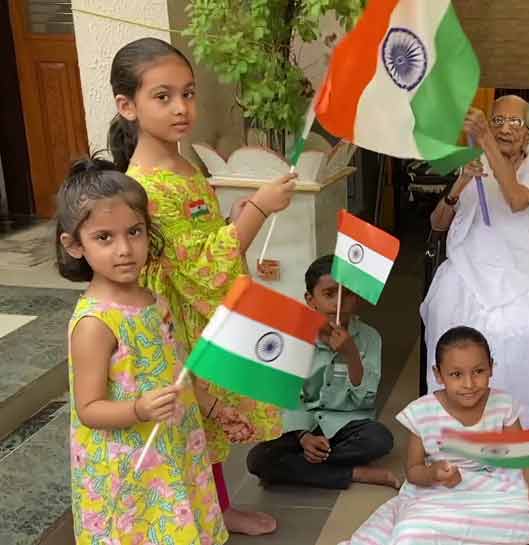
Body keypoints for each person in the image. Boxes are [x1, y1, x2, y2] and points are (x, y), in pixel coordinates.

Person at [107, 37, 297, 536]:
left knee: (207, 427)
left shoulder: (184, 165)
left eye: (188, 94)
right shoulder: (146, 184)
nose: (181, 107)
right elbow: (203, 265)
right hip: (176, 318)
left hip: (202, 310)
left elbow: (202, 239)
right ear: (127, 105)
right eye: (163, 96)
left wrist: (231, 219)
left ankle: (219, 505)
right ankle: (205, 509)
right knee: (191, 419)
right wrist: (258, 207)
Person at [57, 157, 227, 545]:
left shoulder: (152, 299)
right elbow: (88, 409)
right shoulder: (95, 324)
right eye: (104, 237)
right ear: (74, 245)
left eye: (134, 232)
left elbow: (175, 362)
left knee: (176, 527)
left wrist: (211, 405)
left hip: (170, 446)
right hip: (128, 462)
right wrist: (138, 409)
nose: (125, 249)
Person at [421, 95, 529, 429]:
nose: (505, 129)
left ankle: (525, 425)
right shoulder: (475, 159)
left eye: (515, 123)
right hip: (474, 258)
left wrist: (486, 144)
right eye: (497, 122)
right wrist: (461, 181)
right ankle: (455, 420)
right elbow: (438, 224)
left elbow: (517, 200)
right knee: (445, 309)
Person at [340, 326, 529, 545]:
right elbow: (413, 472)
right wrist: (433, 474)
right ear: (438, 374)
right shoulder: (423, 412)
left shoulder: (503, 404)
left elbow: (526, 457)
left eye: (478, 371)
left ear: (491, 367)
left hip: (496, 485)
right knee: (412, 531)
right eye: (456, 374)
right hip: (443, 495)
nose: (469, 384)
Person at [246, 255, 399, 489]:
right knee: (257, 459)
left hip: (345, 425)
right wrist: (303, 437)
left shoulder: (369, 338)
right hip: (301, 428)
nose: (338, 303)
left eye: (347, 294)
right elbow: (287, 397)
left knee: (380, 439)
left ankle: (302, 467)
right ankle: (353, 472)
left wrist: (351, 355)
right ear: (310, 300)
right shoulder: (293, 338)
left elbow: (364, 399)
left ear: (356, 298)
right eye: (329, 294)